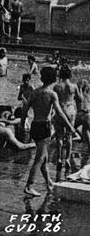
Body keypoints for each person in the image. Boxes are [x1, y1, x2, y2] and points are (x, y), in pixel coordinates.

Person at [24, 67, 79, 197]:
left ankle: (49, 182)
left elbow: (26, 108)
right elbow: (60, 112)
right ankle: (29, 185)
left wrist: (21, 124)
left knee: (44, 158)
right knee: (40, 158)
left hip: (35, 125)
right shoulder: (51, 94)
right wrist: (70, 127)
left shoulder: (35, 92)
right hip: (44, 127)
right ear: (53, 79)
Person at [52, 65, 83, 171]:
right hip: (70, 110)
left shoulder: (56, 86)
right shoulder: (73, 86)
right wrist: (81, 91)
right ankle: (68, 159)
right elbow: (80, 99)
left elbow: (53, 101)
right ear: (70, 74)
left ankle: (60, 158)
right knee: (69, 135)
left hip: (60, 110)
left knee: (59, 136)